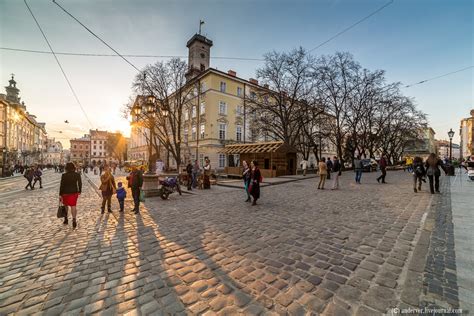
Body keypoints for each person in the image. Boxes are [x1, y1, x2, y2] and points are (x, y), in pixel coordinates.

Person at [59, 162, 82, 228]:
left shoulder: (64, 175)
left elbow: (62, 185)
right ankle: (74, 220)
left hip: (65, 193)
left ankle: (66, 219)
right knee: (73, 206)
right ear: (73, 167)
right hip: (74, 192)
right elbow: (80, 183)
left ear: (66, 168)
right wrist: (79, 191)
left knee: (66, 206)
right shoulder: (77, 174)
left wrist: (60, 194)